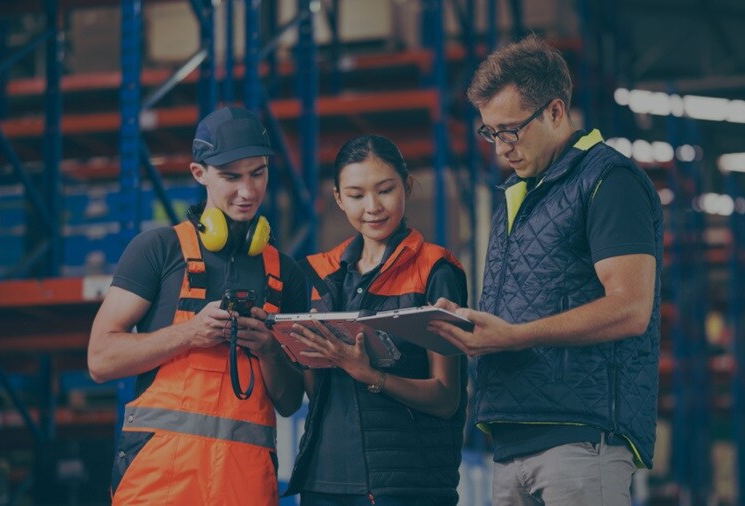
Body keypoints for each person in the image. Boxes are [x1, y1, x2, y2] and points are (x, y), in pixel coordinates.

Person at [429, 34, 664, 505]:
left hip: (581, 441)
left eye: (511, 130)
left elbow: (631, 308)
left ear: (556, 111)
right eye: (491, 133)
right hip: (512, 443)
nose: (501, 148)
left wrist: (514, 336)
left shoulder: (609, 181)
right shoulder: (519, 196)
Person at [87, 106, 308, 505]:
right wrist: (190, 333)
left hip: (245, 487)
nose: (248, 191)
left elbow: (291, 402)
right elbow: (101, 359)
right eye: (231, 176)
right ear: (199, 173)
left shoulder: (285, 273)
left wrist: (268, 350)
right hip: (158, 485)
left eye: (258, 173)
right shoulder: (158, 250)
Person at [282, 135, 468, 505]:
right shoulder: (320, 275)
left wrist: (371, 375)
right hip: (325, 480)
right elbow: (318, 393)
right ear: (338, 198)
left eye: (385, 190)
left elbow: (446, 397)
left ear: (407, 186)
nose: (372, 207)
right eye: (355, 195)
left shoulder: (434, 271)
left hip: (406, 485)